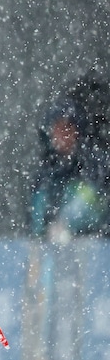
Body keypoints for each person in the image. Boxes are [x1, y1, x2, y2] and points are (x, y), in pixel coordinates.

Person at [29, 71, 110, 240]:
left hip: (95, 244)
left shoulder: (94, 160)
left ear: (77, 131)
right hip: (57, 246)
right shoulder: (48, 167)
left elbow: (95, 198)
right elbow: (38, 203)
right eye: (56, 128)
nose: (61, 135)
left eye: (67, 128)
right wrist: (42, 229)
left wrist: (65, 223)